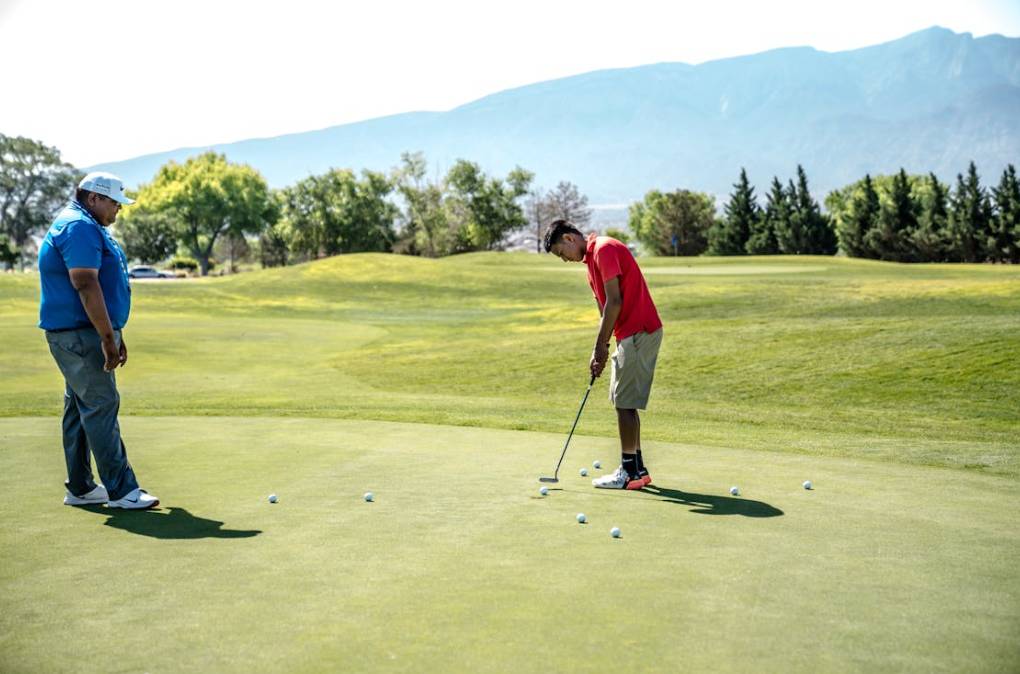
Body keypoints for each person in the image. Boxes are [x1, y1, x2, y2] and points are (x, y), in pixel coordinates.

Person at [38, 171, 159, 509]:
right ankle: (122, 490)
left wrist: (113, 331)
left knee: (79, 407)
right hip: (80, 334)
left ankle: (81, 487)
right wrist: (107, 337)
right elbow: (85, 283)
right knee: (101, 404)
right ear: (93, 198)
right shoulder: (79, 227)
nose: (118, 210)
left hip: (83, 332)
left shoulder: (85, 225)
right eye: (114, 203)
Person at [544, 219, 663, 490]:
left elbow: (615, 301)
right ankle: (638, 469)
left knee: (624, 402)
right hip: (629, 334)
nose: (565, 260)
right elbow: (604, 310)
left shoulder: (605, 250)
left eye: (562, 253)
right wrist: (601, 348)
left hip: (638, 330)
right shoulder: (591, 265)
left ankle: (629, 472)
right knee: (625, 401)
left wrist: (600, 346)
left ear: (570, 238)